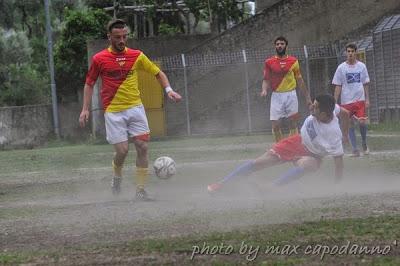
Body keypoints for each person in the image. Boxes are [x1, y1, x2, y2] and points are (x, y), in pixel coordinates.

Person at [79, 19, 182, 200]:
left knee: (142, 146)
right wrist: (85, 109)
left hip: (135, 108)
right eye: (117, 37)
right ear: (109, 37)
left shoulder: (137, 55)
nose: (122, 40)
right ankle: (117, 177)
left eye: (124, 37)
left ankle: (140, 190)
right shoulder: (99, 59)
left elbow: (157, 73)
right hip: (113, 111)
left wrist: (169, 90)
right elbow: (89, 83)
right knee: (122, 151)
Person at [207, 94, 350, 193]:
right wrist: (346, 133)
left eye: (315, 107)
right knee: (259, 163)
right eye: (313, 103)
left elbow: (339, 162)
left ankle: (271, 188)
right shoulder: (332, 108)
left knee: (308, 164)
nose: (311, 107)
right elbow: (345, 113)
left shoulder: (333, 135)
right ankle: (222, 184)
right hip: (296, 142)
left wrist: (337, 185)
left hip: (313, 155)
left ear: (324, 114)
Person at [261, 36, 313, 143]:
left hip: (291, 95)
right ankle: (279, 147)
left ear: (286, 46)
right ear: (275, 46)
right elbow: (266, 79)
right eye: (277, 44)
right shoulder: (269, 62)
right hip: (276, 95)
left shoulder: (293, 61)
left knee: (293, 122)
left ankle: (292, 146)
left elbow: (299, 80)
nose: (279, 46)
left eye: (282, 44)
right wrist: (264, 90)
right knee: (275, 124)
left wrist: (307, 97)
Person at [333, 43, 370, 157]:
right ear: (346, 53)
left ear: (356, 52)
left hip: (360, 100)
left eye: (352, 51)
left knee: (362, 122)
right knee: (349, 124)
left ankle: (364, 143)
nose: (350, 53)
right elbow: (338, 85)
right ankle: (355, 149)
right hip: (346, 101)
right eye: (348, 51)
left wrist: (367, 99)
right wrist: (334, 102)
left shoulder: (362, 66)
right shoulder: (341, 68)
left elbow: (365, 83)